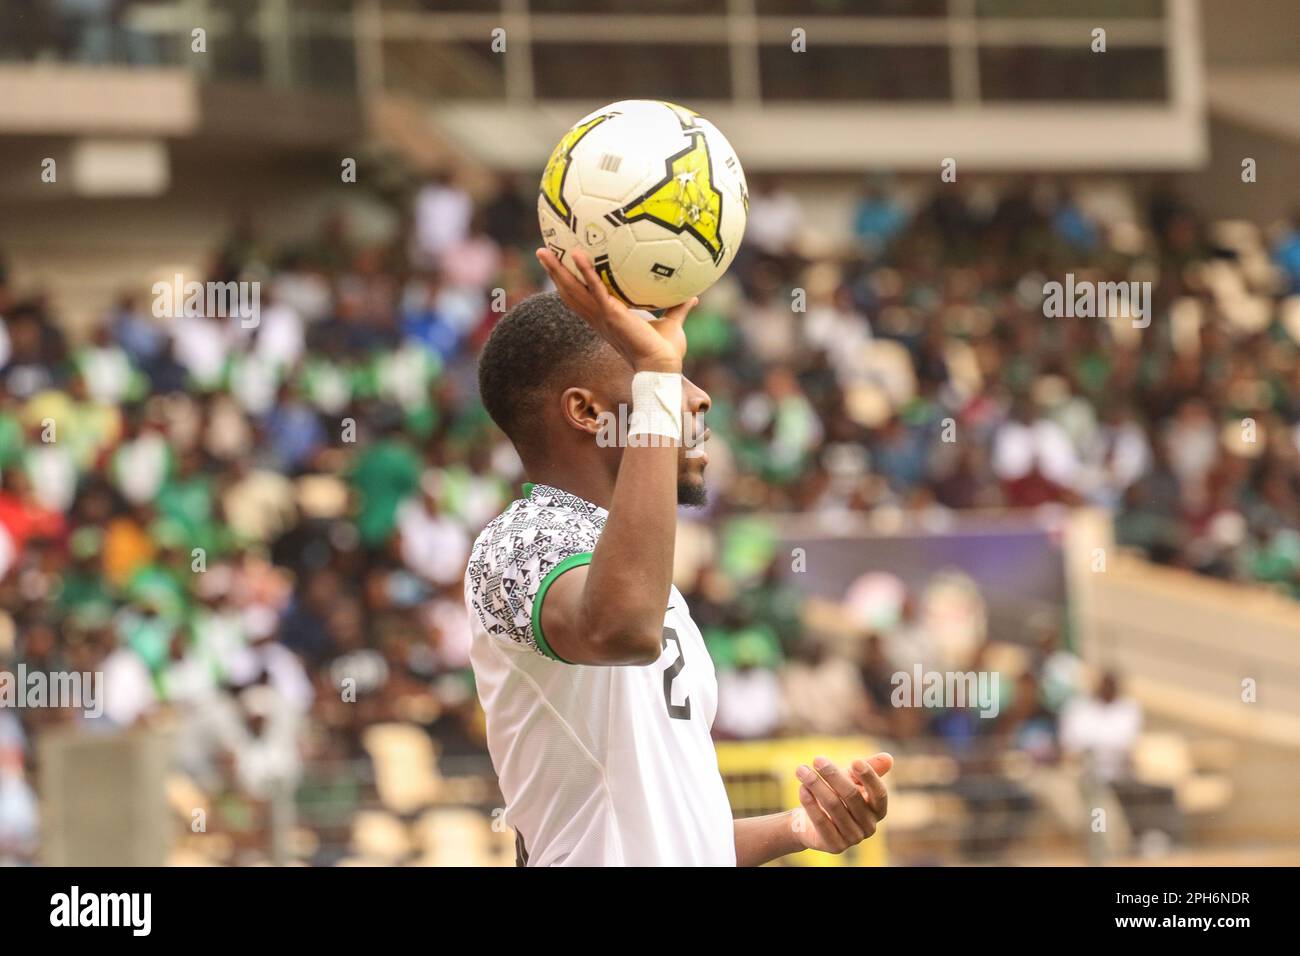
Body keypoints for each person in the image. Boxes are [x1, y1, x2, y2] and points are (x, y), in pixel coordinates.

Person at [463, 247, 892, 866]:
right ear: (586, 411)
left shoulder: (649, 580)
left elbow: (676, 841)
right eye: (659, 379)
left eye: (676, 377)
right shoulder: (518, 541)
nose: (696, 399)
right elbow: (619, 629)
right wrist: (658, 373)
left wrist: (802, 828)